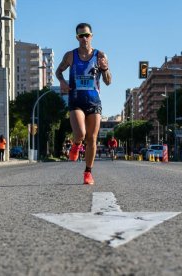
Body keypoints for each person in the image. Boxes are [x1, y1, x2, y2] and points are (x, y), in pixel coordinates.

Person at [56, 22, 112, 185]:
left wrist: (105, 69)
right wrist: (62, 82)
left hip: (94, 102)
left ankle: (88, 172)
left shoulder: (100, 55)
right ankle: (76, 144)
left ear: (91, 36)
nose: (84, 38)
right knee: (80, 134)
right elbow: (58, 71)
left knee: (92, 138)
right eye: (81, 36)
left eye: (87, 35)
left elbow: (108, 81)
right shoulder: (70, 55)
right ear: (77, 38)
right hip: (76, 100)